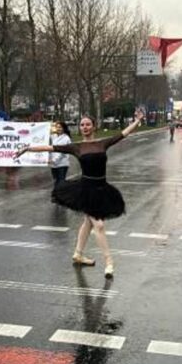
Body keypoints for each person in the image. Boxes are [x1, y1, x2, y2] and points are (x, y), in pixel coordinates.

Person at [15, 110, 145, 278]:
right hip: (86, 189)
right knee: (98, 225)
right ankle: (109, 262)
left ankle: (78, 254)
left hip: (102, 188)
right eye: (82, 125)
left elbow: (123, 134)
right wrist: (28, 148)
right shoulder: (76, 147)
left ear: (94, 126)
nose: (84, 127)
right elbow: (51, 147)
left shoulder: (102, 143)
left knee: (88, 223)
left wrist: (137, 121)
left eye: (87, 124)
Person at [50, 121, 72, 188]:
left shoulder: (66, 138)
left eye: (60, 127)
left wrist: (54, 160)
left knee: (61, 181)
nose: (58, 129)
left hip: (62, 164)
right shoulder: (54, 137)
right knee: (56, 180)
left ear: (63, 128)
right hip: (53, 165)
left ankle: (61, 195)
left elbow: (63, 152)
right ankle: (57, 195)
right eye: (57, 127)